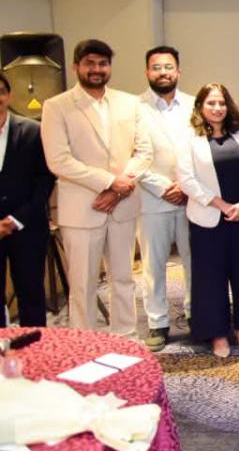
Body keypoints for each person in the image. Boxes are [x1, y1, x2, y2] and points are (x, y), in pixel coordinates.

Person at [41, 39, 152, 337]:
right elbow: (59, 160)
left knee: (124, 279)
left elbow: (144, 152)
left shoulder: (130, 103)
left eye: (102, 63)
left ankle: (126, 338)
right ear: (76, 66)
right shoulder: (57, 106)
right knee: (83, 285)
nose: (96, 69)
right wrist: (108, 182)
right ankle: (84, 344)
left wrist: (118, 188)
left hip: (123, 206)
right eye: (89, 63)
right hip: (82, 210)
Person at [176, 83, 239, 357]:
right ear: (200, 107)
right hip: (208, 218)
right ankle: (217, 334)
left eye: (222, 103)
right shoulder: (190, 137)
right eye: (211, 103)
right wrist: (221, 204)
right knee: (210, 278)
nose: (217, 108)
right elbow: (186, 178)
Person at [136, 45, 194, 351]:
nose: (163, 73)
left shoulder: (194, 105)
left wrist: (186, 186)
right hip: (152, 199)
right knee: (153, 265)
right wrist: (162, 187)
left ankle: (196, 313)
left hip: (190, 198)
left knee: (194, 260)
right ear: (147, 72)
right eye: (156, 67)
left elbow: (202, 151)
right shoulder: (135, 108)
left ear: (178, 71)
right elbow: (131, 155)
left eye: (168, 67)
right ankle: (157, 322)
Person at [0, 72, 55, 327]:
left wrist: (15, 219)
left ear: (9, 95)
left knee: (31, 295)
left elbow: (44, 180)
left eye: (1, 92)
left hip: (28, 226)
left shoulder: (33, 130)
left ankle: (35, 348)